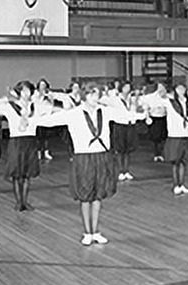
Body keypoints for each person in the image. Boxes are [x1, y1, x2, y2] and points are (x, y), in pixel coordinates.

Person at [37, 83, 147, 245]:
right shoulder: (74, 113)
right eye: (91, 95)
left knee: (98, 195)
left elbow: (125, 116)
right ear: (84, 96)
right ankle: (86, 232)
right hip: (83, 157)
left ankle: (95, 231)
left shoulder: (105, 111)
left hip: (101, 156)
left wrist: (142, 115)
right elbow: (51, 121)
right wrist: (32, 120)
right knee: (85, 195)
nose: (95, 98)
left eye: (97, 95)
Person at [0, 80, 46, 211]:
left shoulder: (36, 106)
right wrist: (6, 98)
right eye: (22, 90)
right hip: (16, 142)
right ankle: (18, 202)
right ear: (18, 92)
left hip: (30, 141)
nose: (25, 93)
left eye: (28, 90)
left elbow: (50, 111)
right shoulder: (10, 106)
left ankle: (25, 201)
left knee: (27, 174)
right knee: (17, 174)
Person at [161, 83, 188, 195]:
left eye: (183, 88)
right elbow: (154, 101)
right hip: (175, 135)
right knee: (175, 161)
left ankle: (182, 184)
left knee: (183, 162)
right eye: (178, 88)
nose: (181, 90)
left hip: (186, 134)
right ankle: (176, 184)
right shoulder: (170, 102)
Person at [105, 81, 141, 181]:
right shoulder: (115, 99)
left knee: (128, 150)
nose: (127, 90)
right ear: (121, 88)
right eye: (125, 87)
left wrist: (137, 100)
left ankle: (127, 170)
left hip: (131, 125)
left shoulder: (132, 99)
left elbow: (138, 109)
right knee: (120, 150)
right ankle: (121, 171)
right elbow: (104, 101)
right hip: (120, 125)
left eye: (129, 87)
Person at [141, 81, 169, 162]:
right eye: (159, 87)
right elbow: (144, 104)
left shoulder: (167, 97)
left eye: (162, 87)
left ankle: (162, 153)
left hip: (163, 118)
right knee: (155, 138)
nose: (161, 89)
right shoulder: (151, 97)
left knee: (163, 137)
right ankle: (157, 154)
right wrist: (148, 115)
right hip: (154, 118)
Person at [33, 78, 55, 161]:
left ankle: (46, 152)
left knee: (46, 137)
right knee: (38, 137)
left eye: (44, 85)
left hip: (47, 119)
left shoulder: (49, 94)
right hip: (37, 119)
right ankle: (38, 152)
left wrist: (49, 97)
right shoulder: (35, 94)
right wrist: (40, 96)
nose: (43, 87)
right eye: (41, 85)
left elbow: (52, 104)